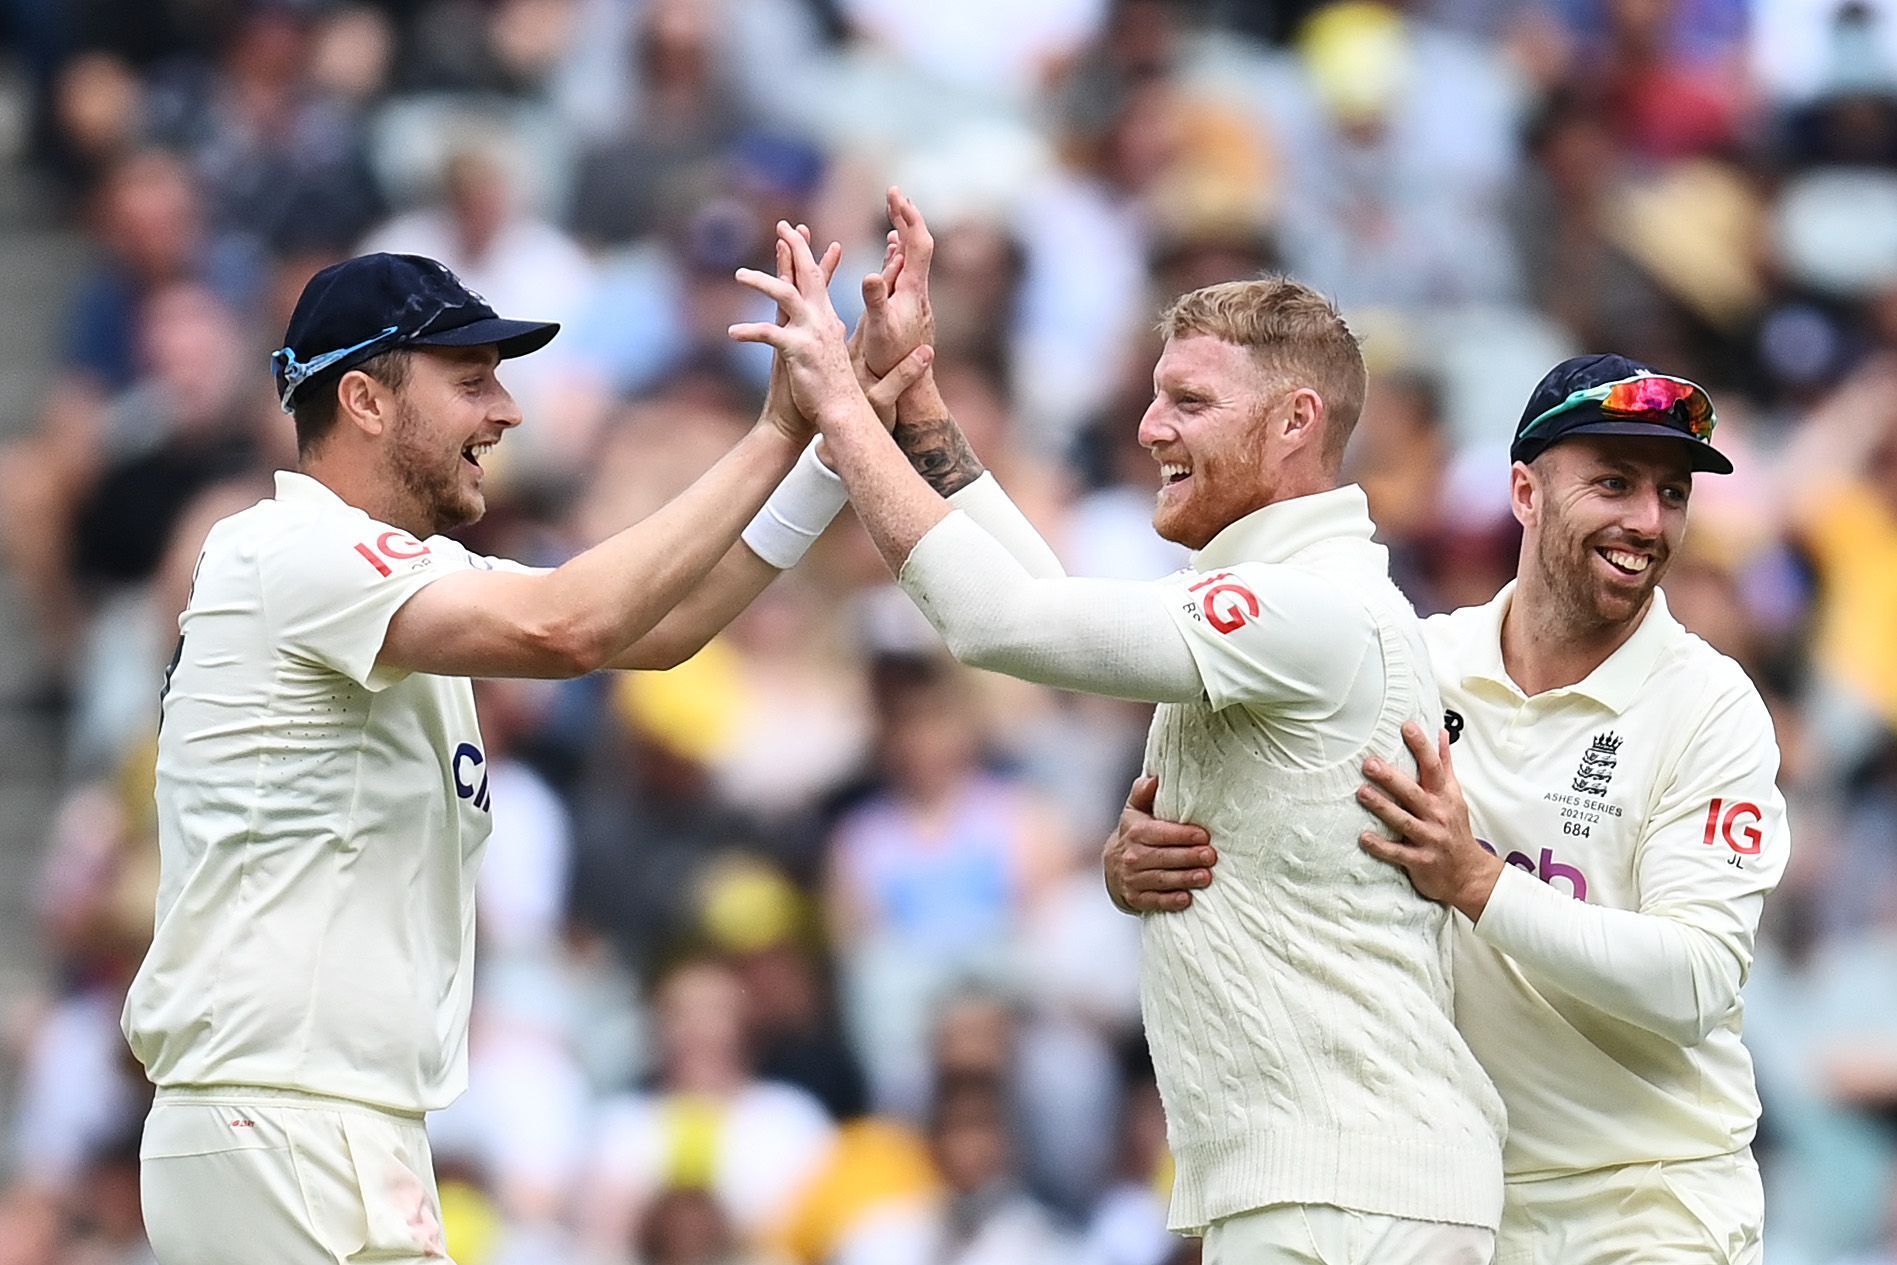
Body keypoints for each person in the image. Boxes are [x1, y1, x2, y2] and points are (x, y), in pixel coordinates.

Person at [120, 248, 930, 1265]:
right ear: (364, 398)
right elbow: (574, 626)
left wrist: (827, 439)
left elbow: (664, 624)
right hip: (280, 1119)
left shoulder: (396, 581)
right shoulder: (286, 550)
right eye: (470, 380)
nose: (505, 410)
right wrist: (774, 429)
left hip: (333, 1125)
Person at [735, 200, 1505, 1262]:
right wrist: (913, 408)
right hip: (1320, 1179)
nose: (1147, 430)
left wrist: (841, 411)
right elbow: (1046, 595)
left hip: (1350, 1193)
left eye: (1188, 401)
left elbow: (1005, 620)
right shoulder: (1272, 594)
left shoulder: (1311, 606)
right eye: (1153, 398)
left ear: (1294, 423)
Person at [1108, 355, 1790, 1264]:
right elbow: (1269, 835)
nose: (1646, 520)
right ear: (1523, 492)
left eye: (1671, 493)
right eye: (1614, 483)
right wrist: (1139, 859)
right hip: (1455, 1195)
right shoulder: (1412, 663)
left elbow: (1694, 981)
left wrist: (1477, 882)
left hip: (1650, 1198)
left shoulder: (1710, 707)